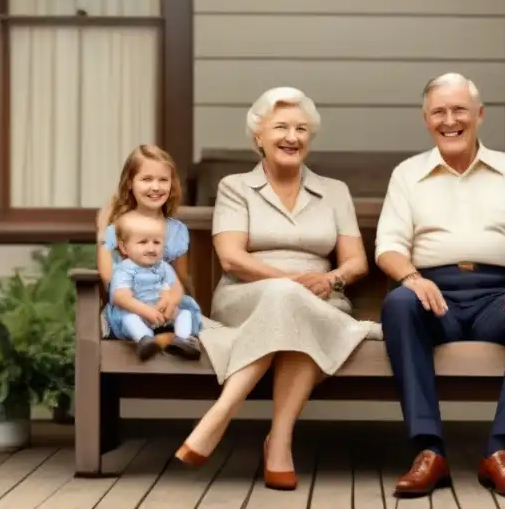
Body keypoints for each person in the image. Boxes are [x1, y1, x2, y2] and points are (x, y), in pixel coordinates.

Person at [175, 87, 381, 491]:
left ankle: (257, 430)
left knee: (295, 310)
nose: (292, 137)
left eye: (301, 129)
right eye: (281, 127)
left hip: (321, 299)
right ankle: (250, 427)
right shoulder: (235, 186)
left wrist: (330, 279)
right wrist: (290, 283)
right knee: (288, 299)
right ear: (259, 136)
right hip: (246, 297)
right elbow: (231, 258)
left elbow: (356, 262)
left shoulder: (334, 191)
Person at [375, 73, 505, 499]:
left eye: (459, 110)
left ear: (479, 114)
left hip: (501, 294)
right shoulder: (407, 174)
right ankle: (428, 451)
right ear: (426, 119)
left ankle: (501, 452)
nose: (450, 120)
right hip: (432, 292)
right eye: (438, 112)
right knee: (399, 305)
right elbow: (389, 246)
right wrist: (411, 278)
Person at [96, 144, 195, 344]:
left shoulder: (177, 231)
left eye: (163, 180)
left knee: (186, 312)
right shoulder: (117, 229)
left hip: (166, 308)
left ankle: (182, 342)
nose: (156, 187)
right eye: (147, 179)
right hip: (131, 306)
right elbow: (108, 277)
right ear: (130, 183)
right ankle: (146, 340)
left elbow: (181, 278)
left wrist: (170, 301)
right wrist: (102, 232)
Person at [106, 211, 202, 360]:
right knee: (129, 319)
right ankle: (145, 339)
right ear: (124, 247)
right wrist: (146, 311)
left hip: (162, 314)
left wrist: (167, 301)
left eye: (156, 242)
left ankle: (182, 339)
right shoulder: (125, 269)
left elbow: (172, 288)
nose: (151, 249)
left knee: (185, 314)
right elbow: (121, 297)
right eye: (143, 242)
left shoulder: (163, 267)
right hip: (137, 311)